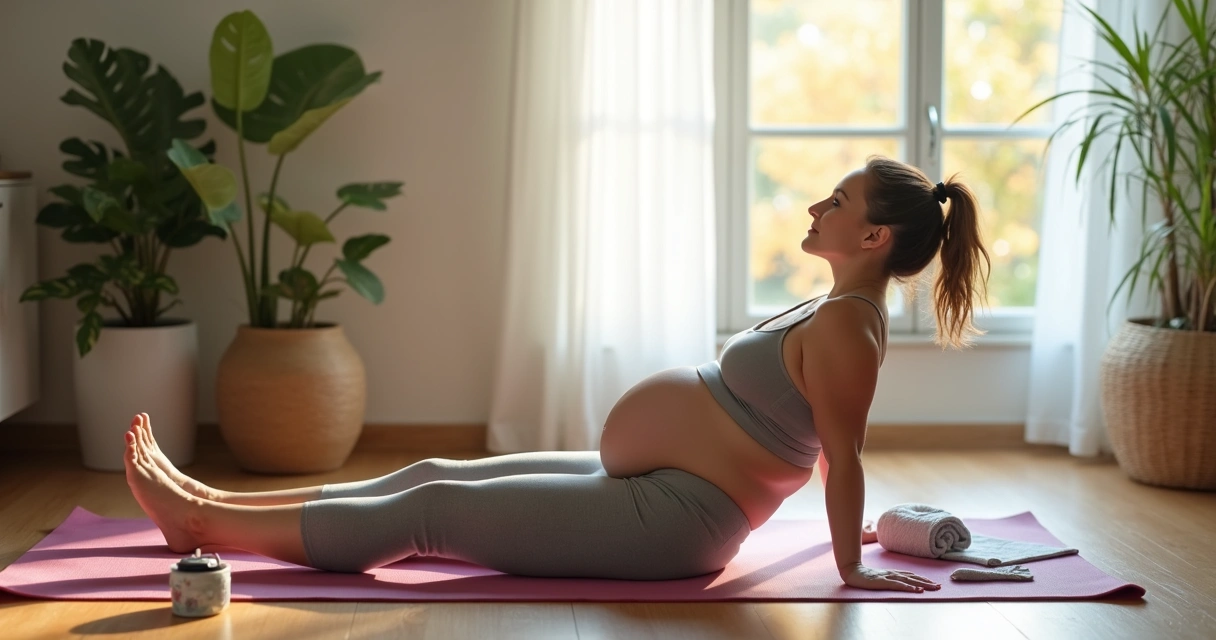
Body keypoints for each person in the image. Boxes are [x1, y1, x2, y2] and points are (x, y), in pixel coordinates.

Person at [125, 155, 989, 593]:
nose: (817, 206)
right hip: (660, 483)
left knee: (427, 515)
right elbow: (829, 450)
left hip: (674, 521)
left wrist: (850, 565)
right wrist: (869, 527)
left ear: (874, 237)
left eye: (837, 201)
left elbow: (845, 445)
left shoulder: (850, 328)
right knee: (431, 472)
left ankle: (199, 525)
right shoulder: (835, 309)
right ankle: (209, 506)